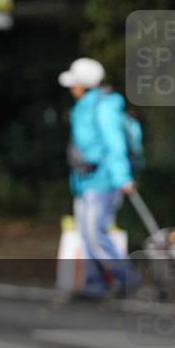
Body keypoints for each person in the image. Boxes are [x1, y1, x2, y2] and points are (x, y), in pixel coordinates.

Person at [59, 57, 139, 299]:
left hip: (103, 181)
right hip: (84, 181)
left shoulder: (103, 107)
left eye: (74, 84)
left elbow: (114, 144)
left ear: (83, 85)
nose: (71, 88)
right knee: (85, 234)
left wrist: (122, 177)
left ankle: (128, 278)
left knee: (95, 233)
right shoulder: (84, 106)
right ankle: (93, 285)